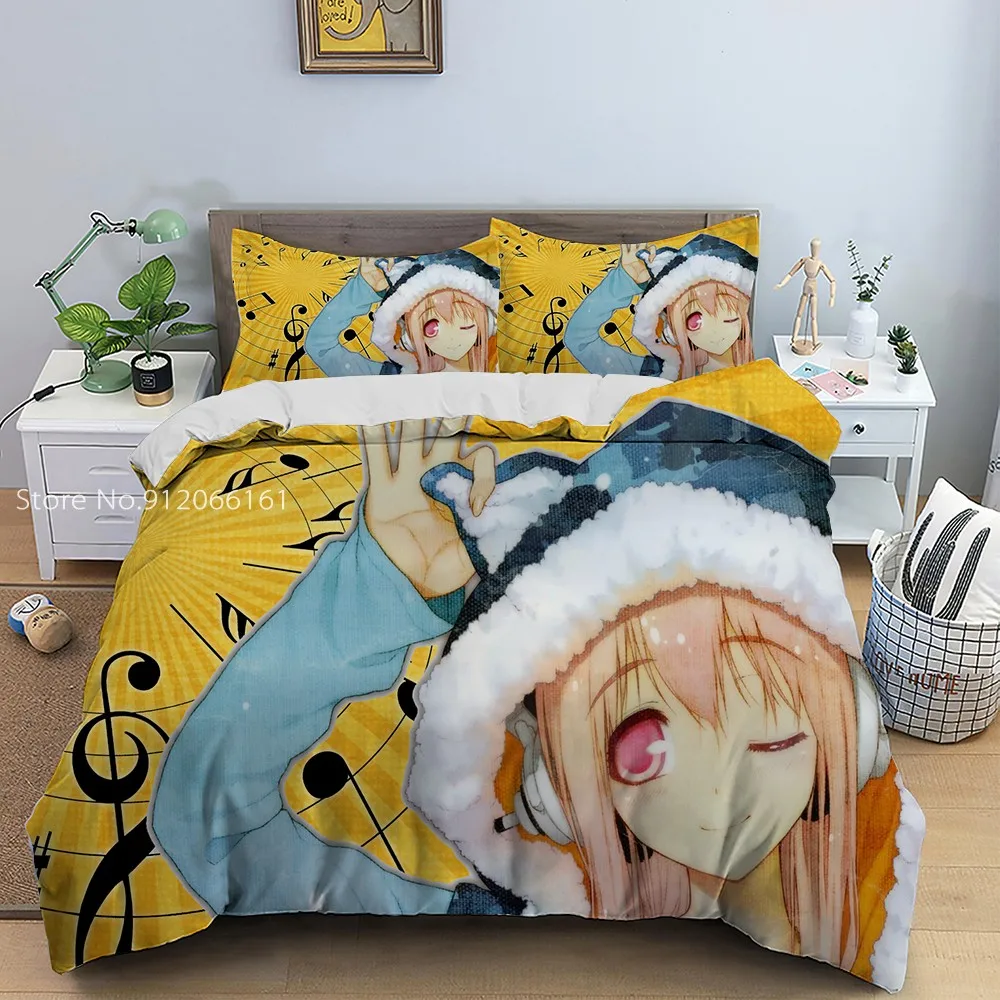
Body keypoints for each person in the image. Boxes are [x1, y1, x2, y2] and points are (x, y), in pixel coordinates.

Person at [563, 234, 756, 380]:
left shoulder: (760, 378)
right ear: (671, 330)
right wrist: (624, 282)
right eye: (695, 321)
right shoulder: (654, 374)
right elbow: (579, 339)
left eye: (728, 315)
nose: (714, 330)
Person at [304, 251, 499, 376]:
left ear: (490, 321)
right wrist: (363, 289)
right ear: (408, 338)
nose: (451, 335)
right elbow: (320, 346)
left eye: (465, 320)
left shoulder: (503, 381)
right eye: (431, 327)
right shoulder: (393, 379)